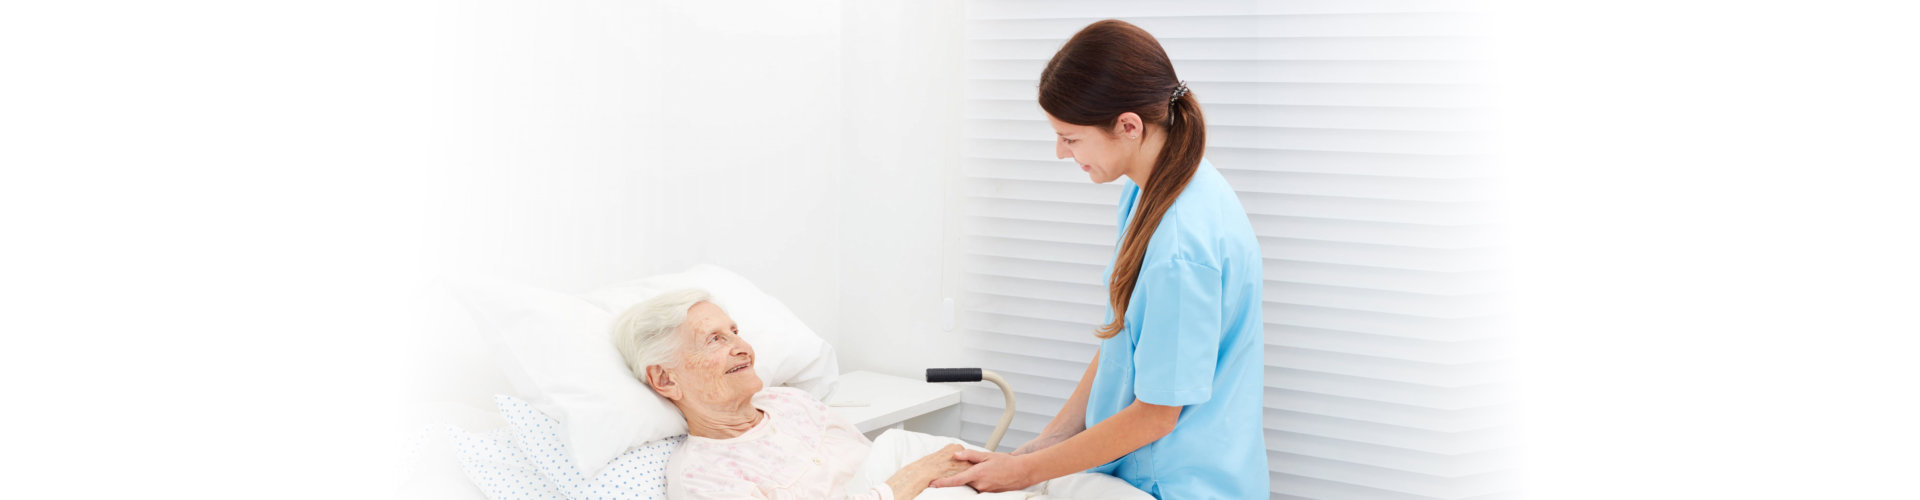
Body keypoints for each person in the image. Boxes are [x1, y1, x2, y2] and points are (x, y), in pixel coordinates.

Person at [930, 19, 1269, 499]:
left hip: (1176, 485)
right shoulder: (1152, 192)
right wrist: (1037, 450)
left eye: (1070, 138)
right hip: (1148, 472)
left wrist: (1022, 475)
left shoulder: (1180, 246)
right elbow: (1123, 343)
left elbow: (1157, 412)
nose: (1060, 153)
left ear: (1129, 126)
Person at [612, 289, 969, 499]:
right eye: (715, 339)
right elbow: (901, 478)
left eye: (735, 332)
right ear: (664, 379)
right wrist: (904, 483)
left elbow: (876, 458)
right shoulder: (702, 476)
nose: (742, 347)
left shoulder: (790, 402)